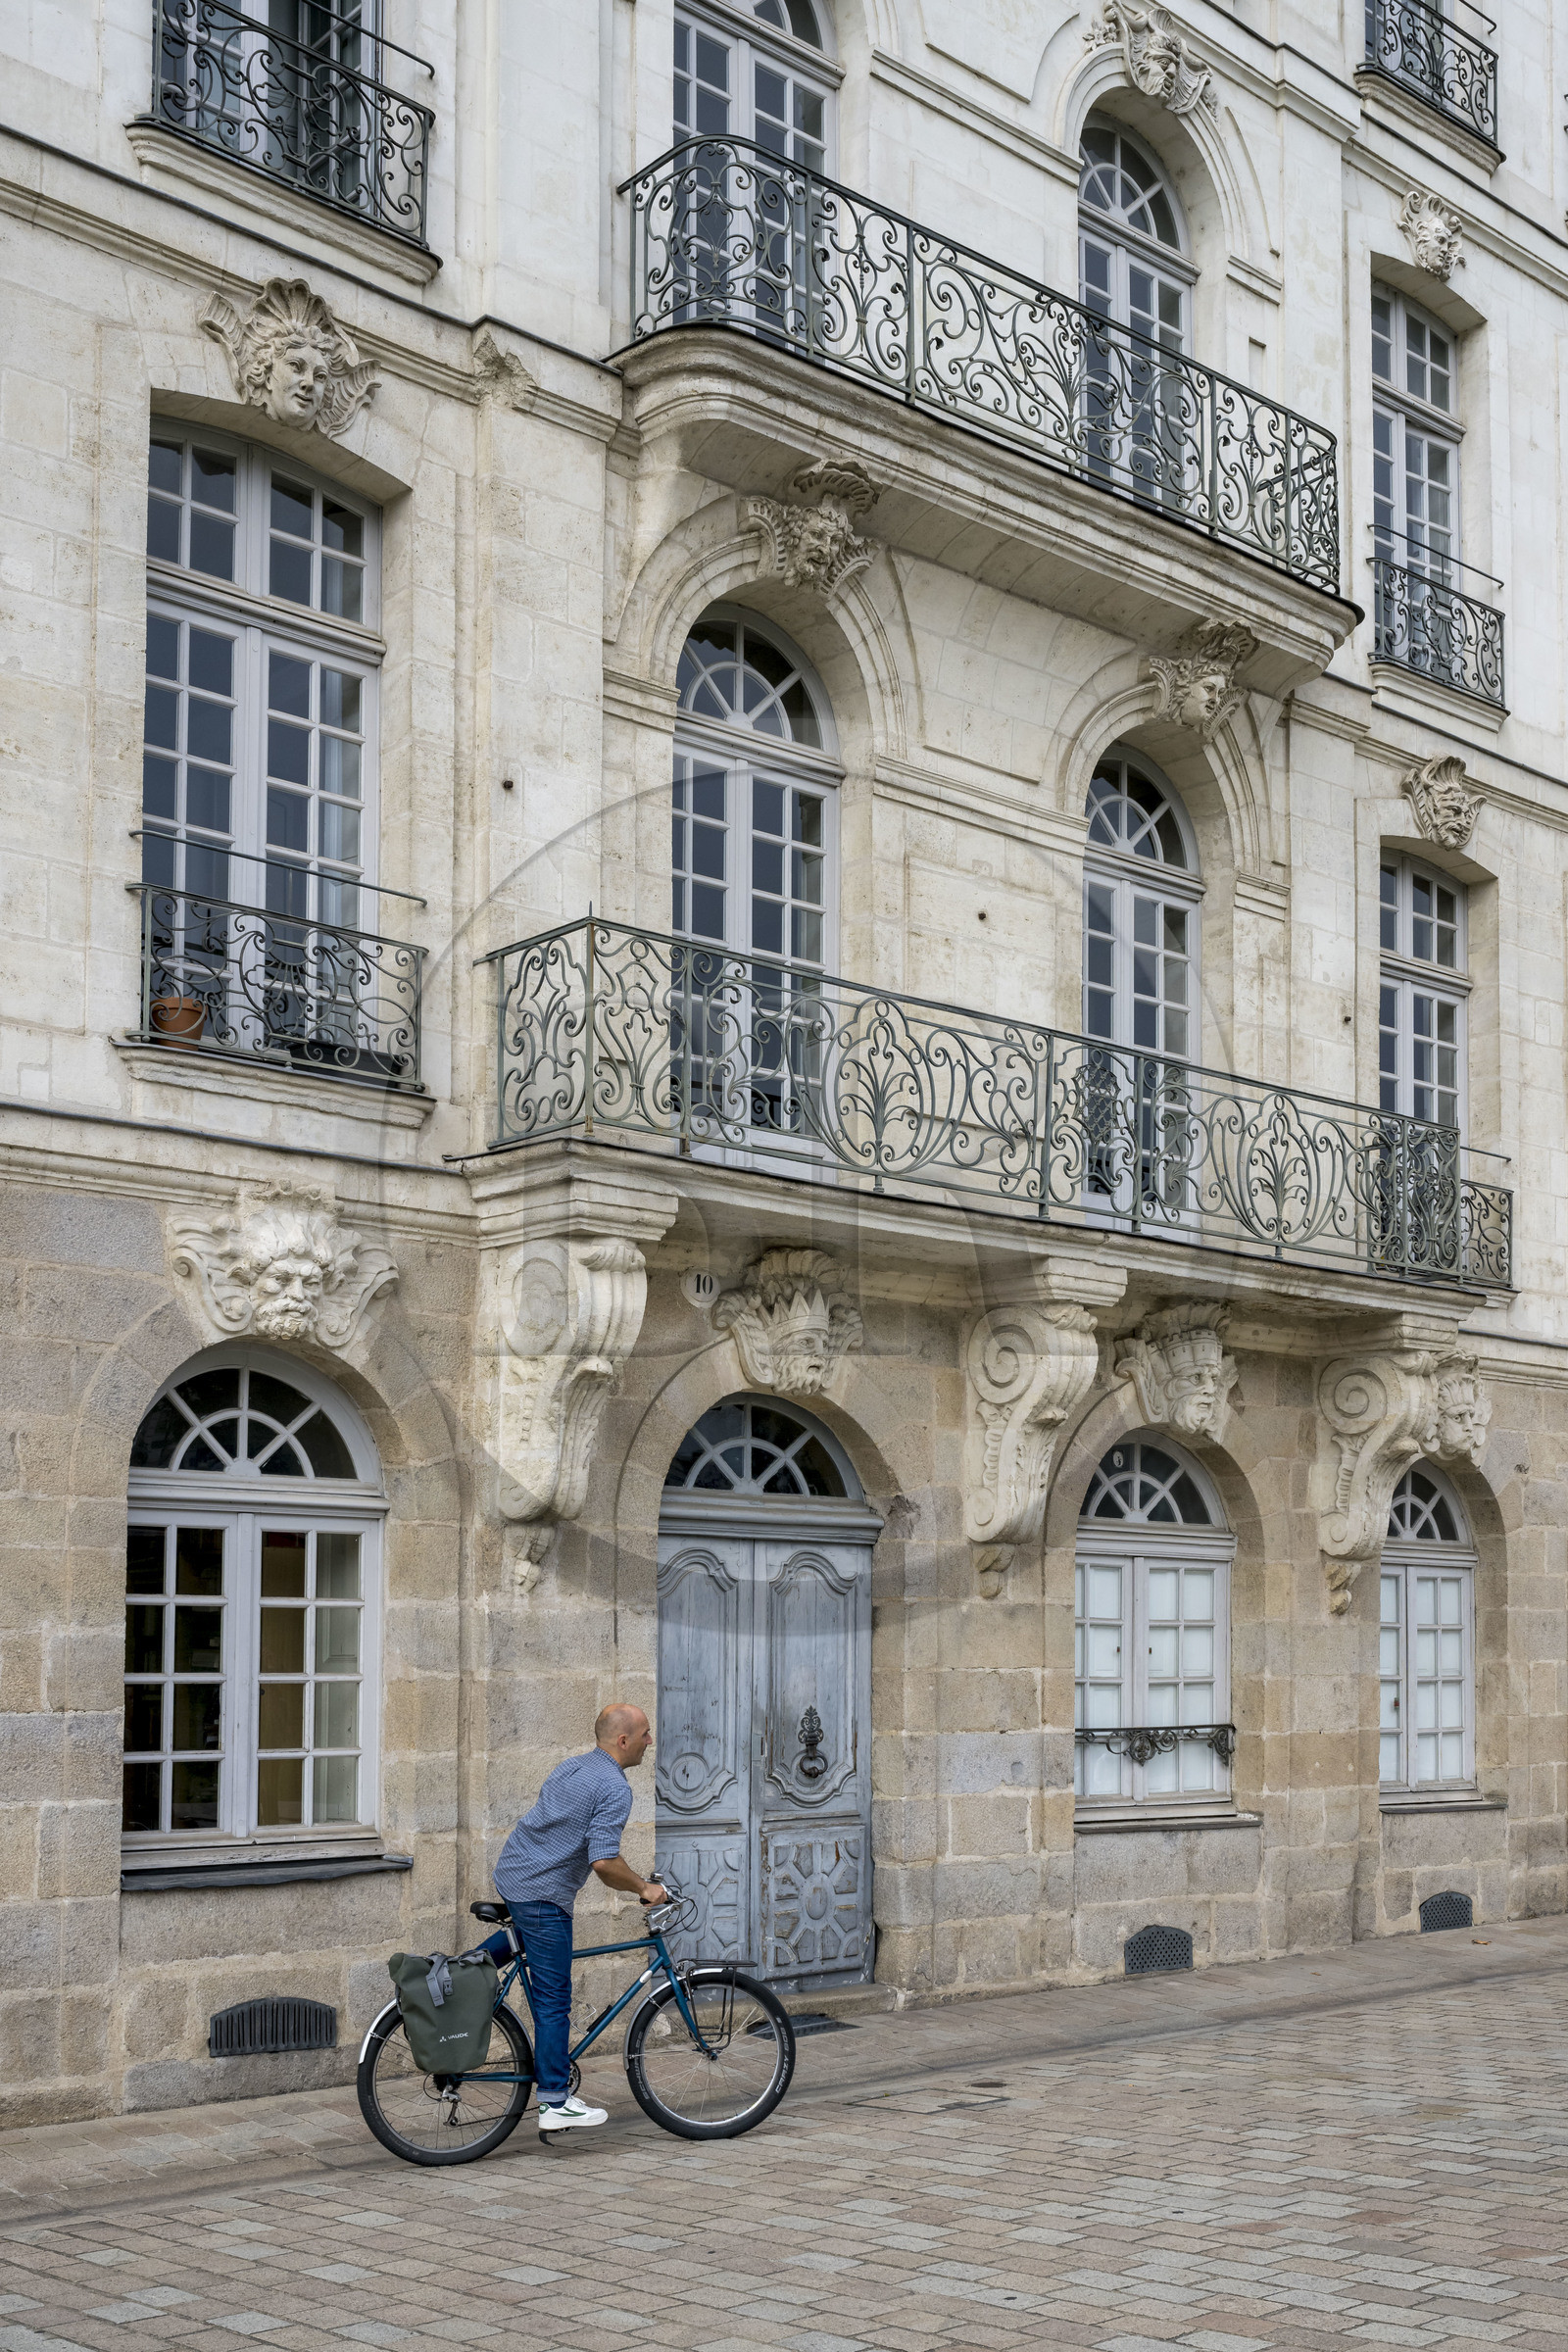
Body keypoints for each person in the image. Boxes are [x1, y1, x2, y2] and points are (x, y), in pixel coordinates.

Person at [491, 1702, 667, 2134]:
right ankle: (553, 2101)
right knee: (554, 2001)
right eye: (645, 1733)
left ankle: (448, 1980)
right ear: (623, 1741)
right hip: (541, 1895)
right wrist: (645, 1889)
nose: (651, 1741)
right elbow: (604, 1862)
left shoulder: (574, 1767)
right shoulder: (614, 1787)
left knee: (500, 1964)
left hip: (514, 1876)